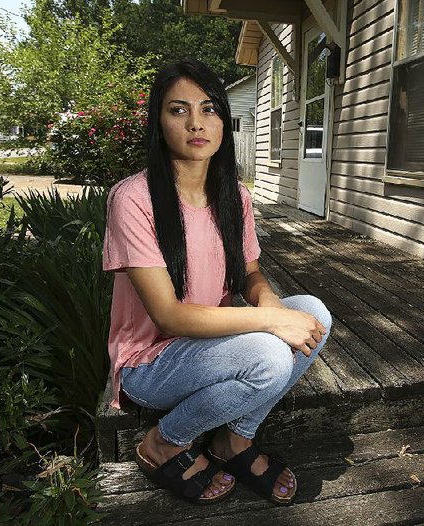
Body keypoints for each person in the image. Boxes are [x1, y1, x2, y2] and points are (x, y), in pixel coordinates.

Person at [102, 59, 332, 506]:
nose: (196, 123)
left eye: (209, 109)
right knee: (269, 356)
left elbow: (249, 275)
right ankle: (165, 441)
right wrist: (269, 323)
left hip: (211, 344)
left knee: (315, 313)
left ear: (224, 121)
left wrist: (273, 309)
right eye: (178, 110)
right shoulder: (133, 198)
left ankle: (234, 440)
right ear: (159, 121)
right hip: (150, 362)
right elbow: (168, 315)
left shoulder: (234, 196)